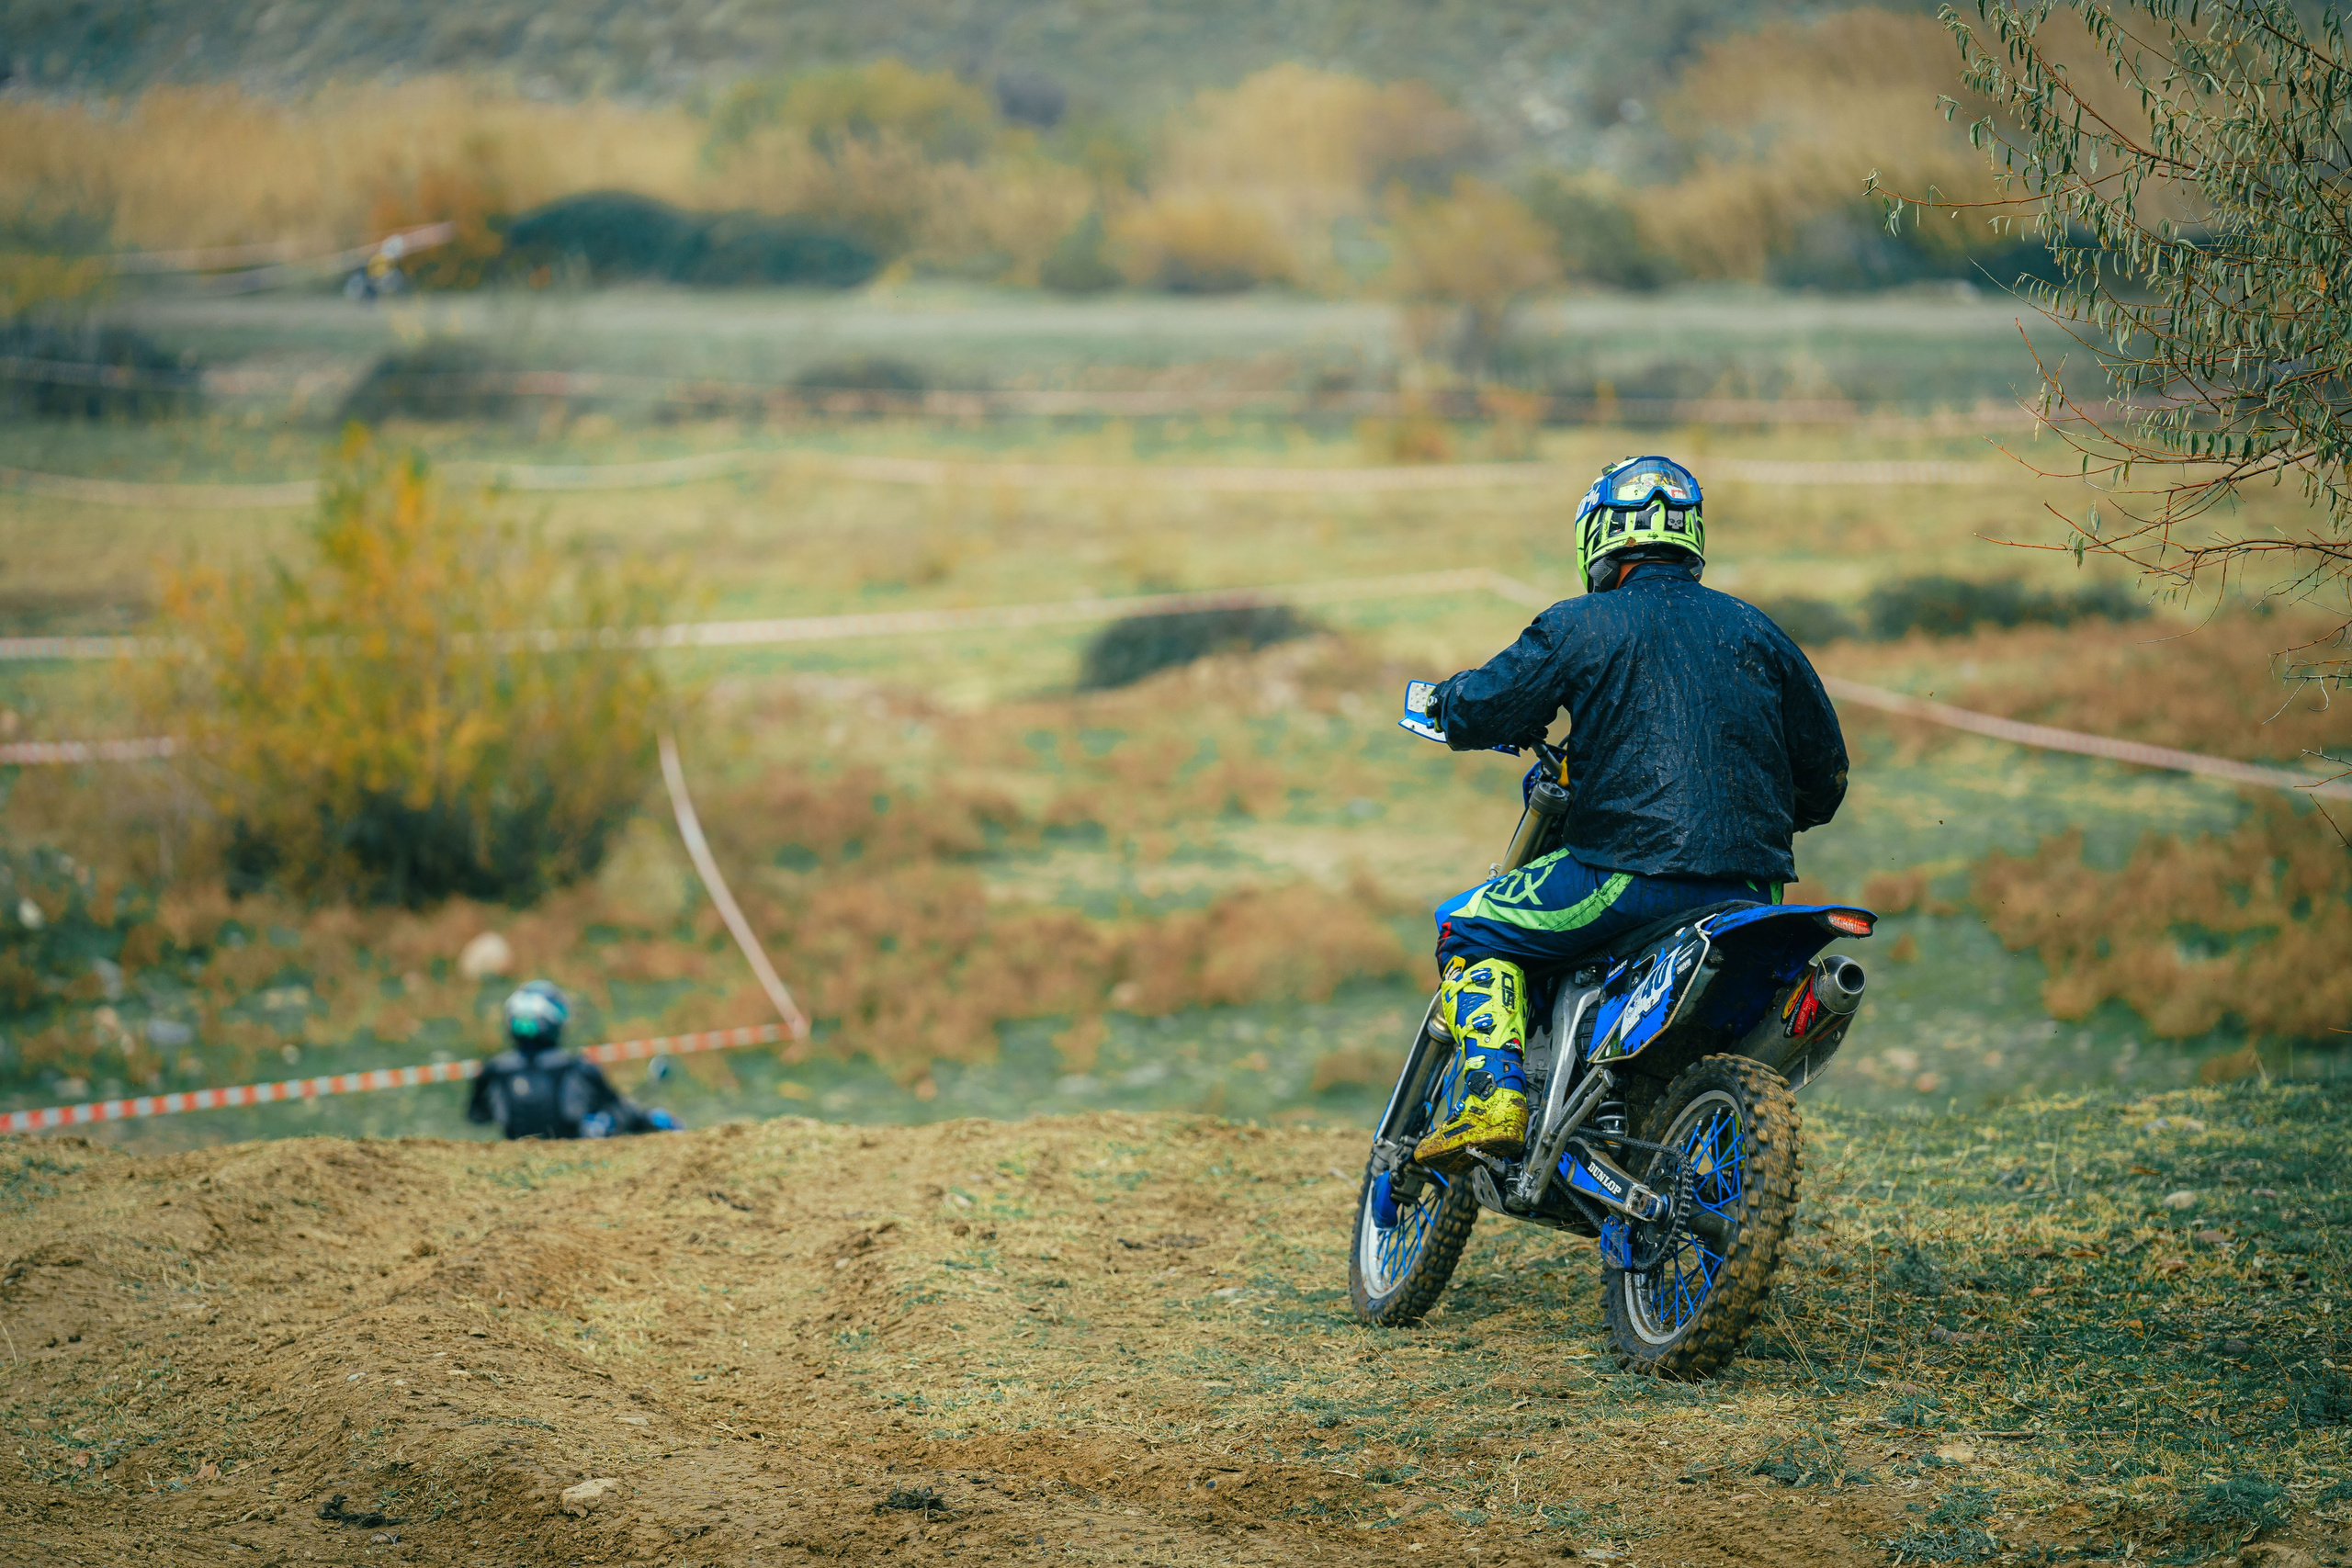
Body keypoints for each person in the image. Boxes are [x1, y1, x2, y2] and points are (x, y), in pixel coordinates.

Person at [1412, 455, 1849, 1169]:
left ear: (1600, 536)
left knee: (1469, 925)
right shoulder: (1760, 631)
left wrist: (1442, 702)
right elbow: (1826, 776)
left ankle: (1492, 1097)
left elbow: (1486, 704)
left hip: (1626, 875)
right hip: (1753, 891)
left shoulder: (1581, 622)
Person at [465, 980, 681, 1140]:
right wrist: (650, 1118)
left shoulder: (494, 1070)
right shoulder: (576, 1067)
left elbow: (478, 1116)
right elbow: (618, 1108)